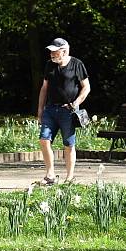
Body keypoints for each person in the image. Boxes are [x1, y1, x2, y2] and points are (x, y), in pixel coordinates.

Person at [36, 37, 91, 185]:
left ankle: (69, 177)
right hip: (50, 109)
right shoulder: (49, 65)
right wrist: (40, 110)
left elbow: (86, 87)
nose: (52, 54)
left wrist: (76, 102)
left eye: (55, 52)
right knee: (44, 140)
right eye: (51, 52)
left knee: (68, 144)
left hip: (69, 111)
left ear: (64, 51)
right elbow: (44, 88)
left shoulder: (77, 64)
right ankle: (50, 175)